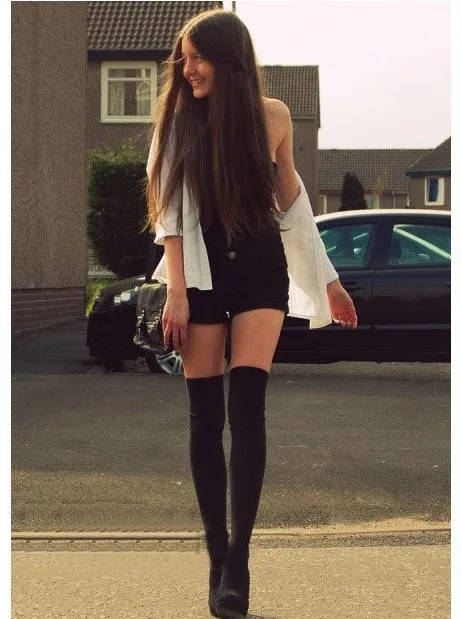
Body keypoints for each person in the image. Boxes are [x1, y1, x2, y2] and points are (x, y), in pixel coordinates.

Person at [145, 8, 357, 618]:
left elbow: (291, 202)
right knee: (205, 416)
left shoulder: (274, 117)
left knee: (248, 410)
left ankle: (238, 562)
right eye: (184, 59)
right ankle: (216, 554)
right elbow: (170, 215)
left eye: (198, 58)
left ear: (229, 58)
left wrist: (328, 280)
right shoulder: (178, 120)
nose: (187, 69)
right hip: (202, 272)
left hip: (261, 269)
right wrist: (178, 292)